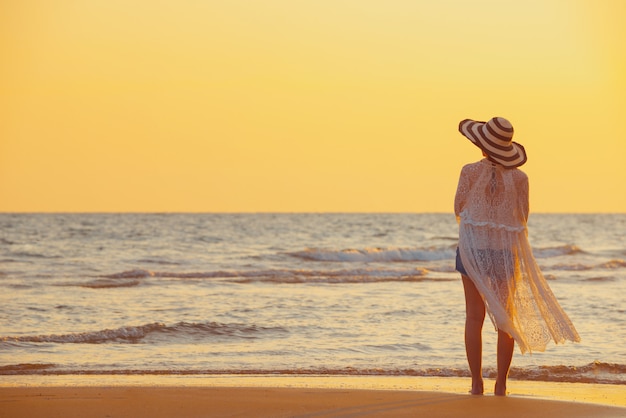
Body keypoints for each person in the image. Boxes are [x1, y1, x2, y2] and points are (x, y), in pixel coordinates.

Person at [454, 117, 580, 396]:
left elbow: (458, 206)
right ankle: (501, 383)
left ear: (482, 145)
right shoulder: (521, 178)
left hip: (472, 248)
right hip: (504, 252)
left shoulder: (469, 171)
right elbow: (522, 215)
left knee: (474, 316)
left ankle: (476, 383)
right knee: (504, 317)